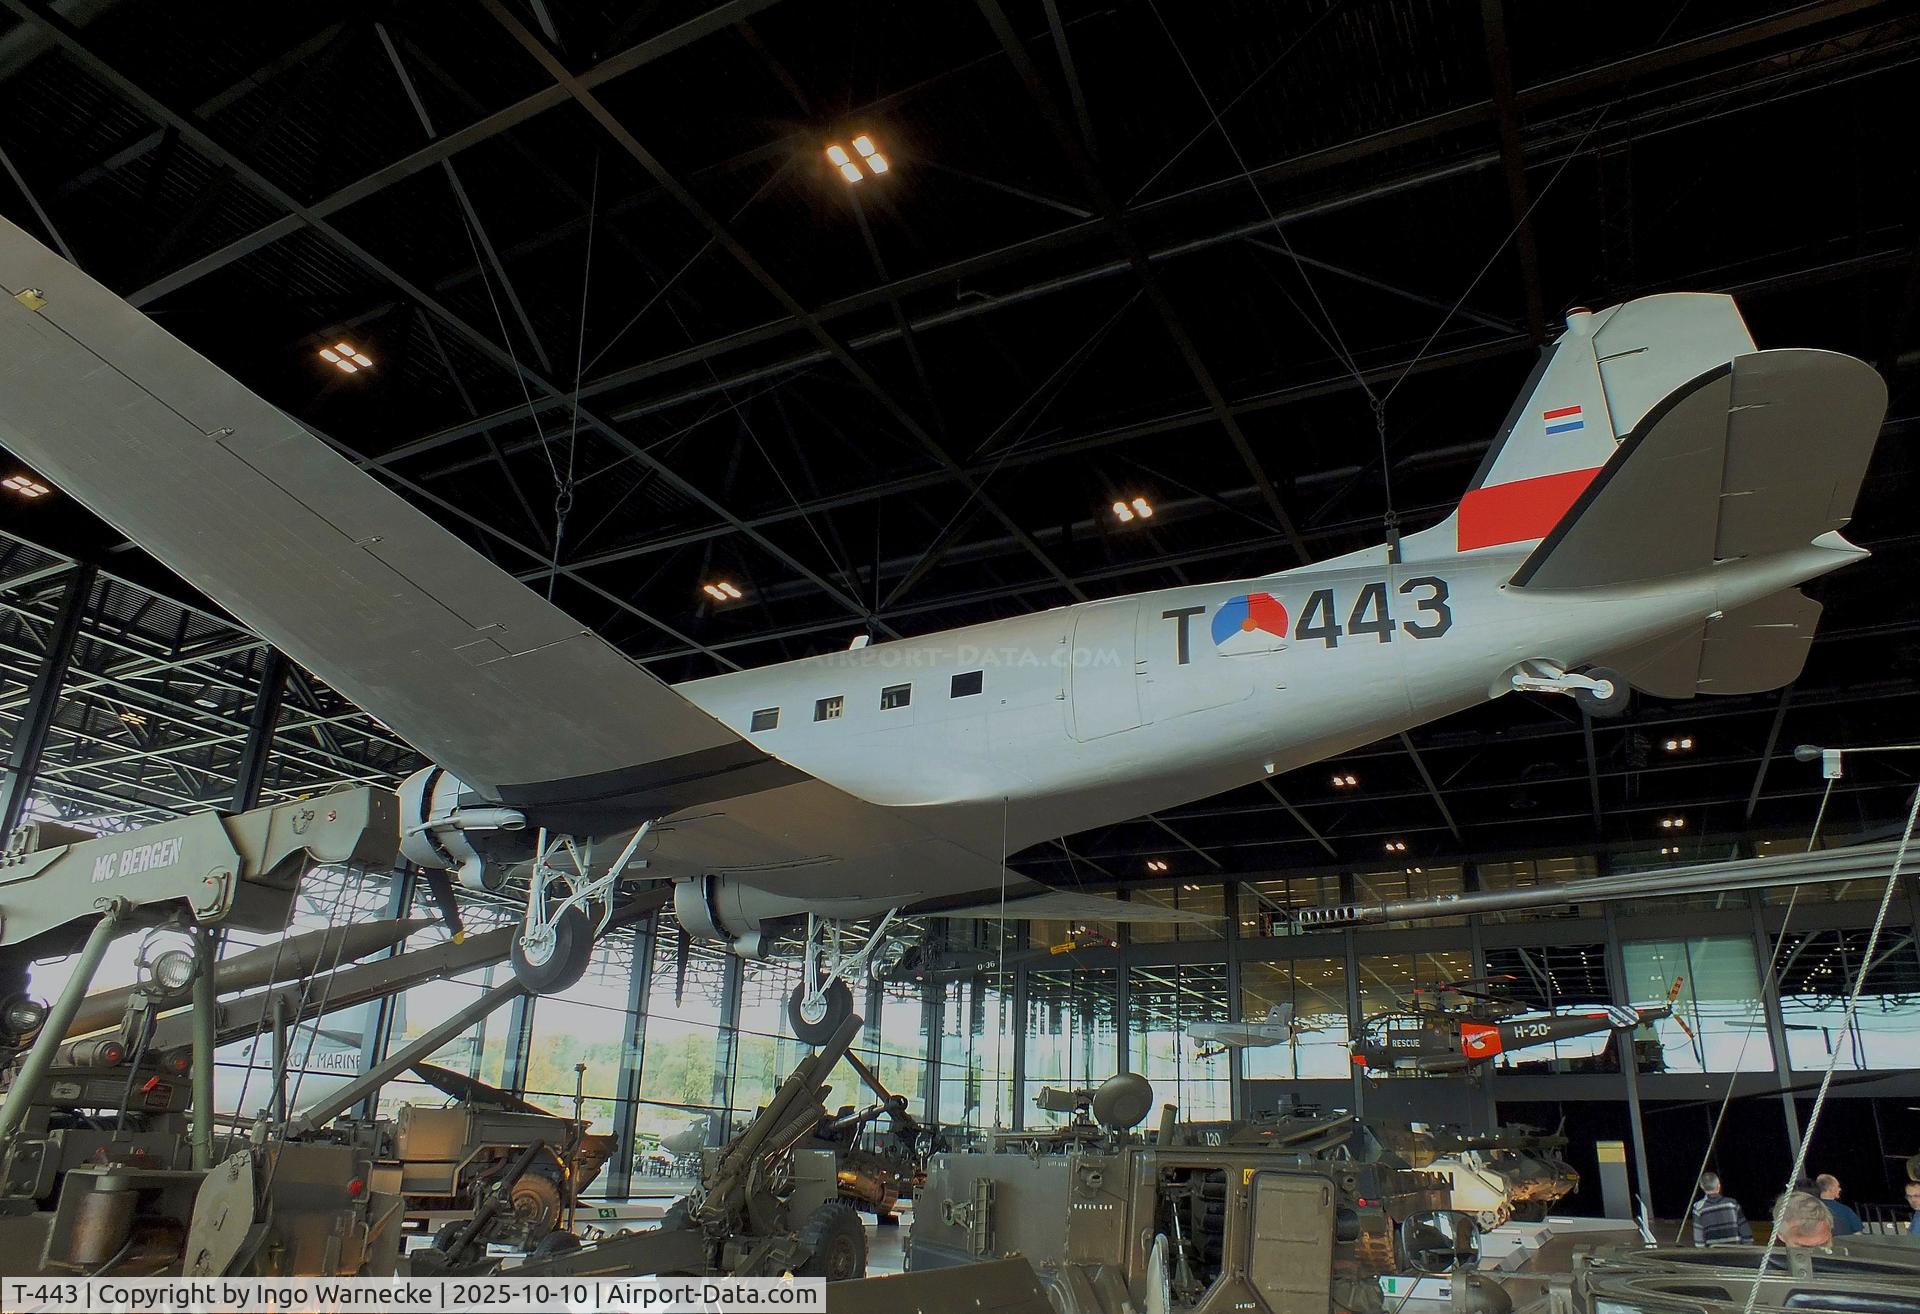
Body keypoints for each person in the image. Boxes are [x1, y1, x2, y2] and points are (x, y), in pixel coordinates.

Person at [1692, 1172, 1752, 1247]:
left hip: (1713, 1255)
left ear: (1702, 1187)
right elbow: (1746, 1233)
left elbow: (1699, 1241)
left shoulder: (1698, 1208)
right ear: (1719, 1186)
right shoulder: (1732, 1204)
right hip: (1735, 1252)